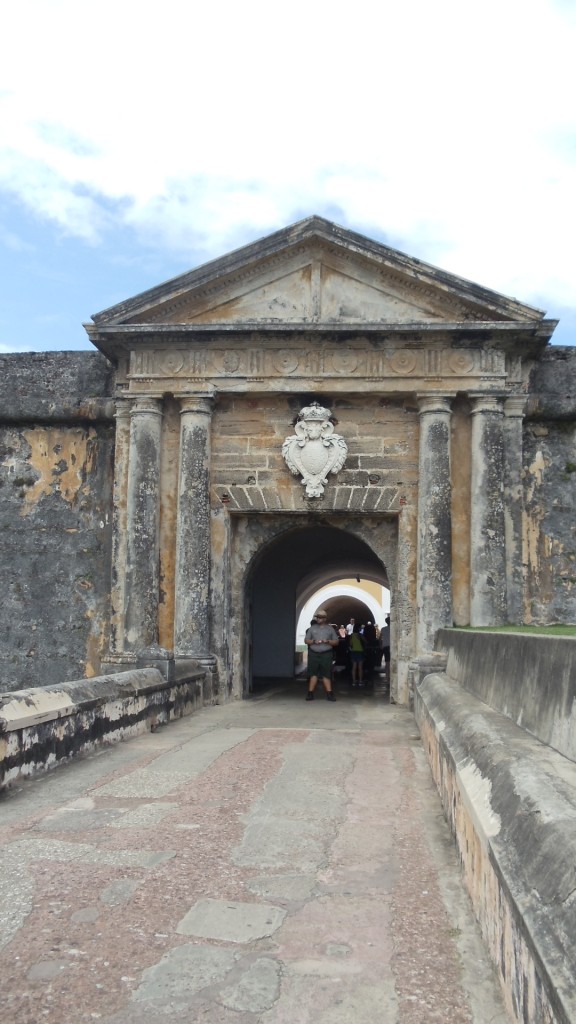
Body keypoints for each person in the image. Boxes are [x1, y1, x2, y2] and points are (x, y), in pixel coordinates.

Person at [304, 609, 339, 701]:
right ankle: (310, 693)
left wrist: (328, 641)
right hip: (314, 654)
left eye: (320, 617)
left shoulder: (330, 629)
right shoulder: (312, 628)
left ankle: (329, 694)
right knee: (313, 674)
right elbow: (306, 640)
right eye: (317, 617)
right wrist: (313, 641)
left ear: (324, 619)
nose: (318, 619)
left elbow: (336, 642)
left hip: (326, 654)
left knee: (326, 674)